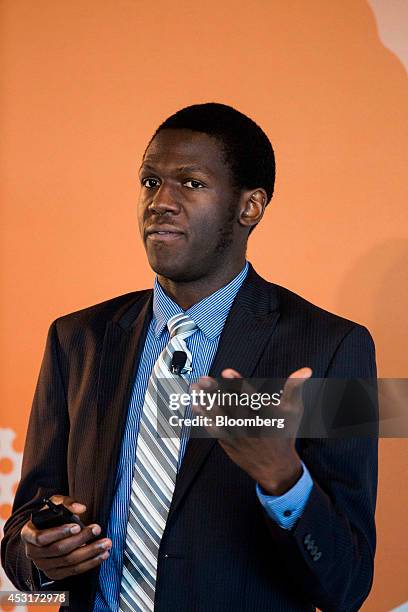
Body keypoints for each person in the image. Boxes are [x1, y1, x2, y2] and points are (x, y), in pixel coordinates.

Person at [1, 103, 378, 611]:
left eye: (191, 184)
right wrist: (41, 554)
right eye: (150, 181)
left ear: (250, 207)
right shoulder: (78, 339)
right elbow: (24, 533)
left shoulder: (332, 348)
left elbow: (347, 584)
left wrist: (284, 481)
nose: (161, 202)